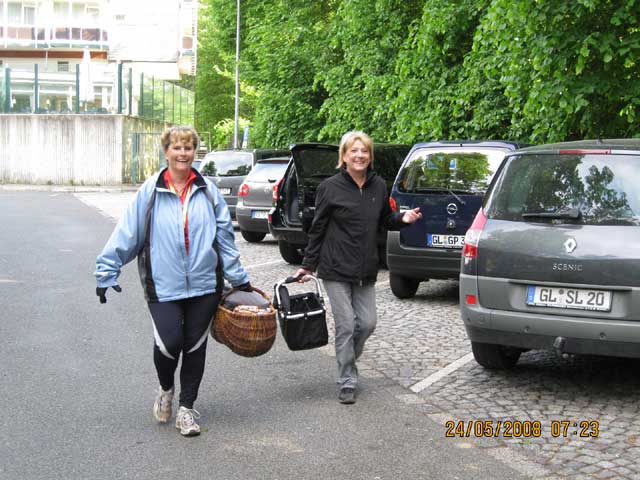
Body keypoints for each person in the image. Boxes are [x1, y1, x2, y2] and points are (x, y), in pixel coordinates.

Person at [95, 125, 252, 436]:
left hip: (206, 285)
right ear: (166, 152)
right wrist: (107, 270)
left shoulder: (208, 191)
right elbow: (128, 233)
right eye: (177, 148)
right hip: (162, 284)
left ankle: (187, 409)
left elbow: (224, 239)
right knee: (169, 344)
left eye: (189, 148)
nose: (183, 153)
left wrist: (239, 280)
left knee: (195, 347)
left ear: (195, 152)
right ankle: (166, 389)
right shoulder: (151, 191)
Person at [295, 131, 422, 405]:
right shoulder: (329, 187)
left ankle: (347, 361)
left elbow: (385, 219)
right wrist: (307, 265)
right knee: (346, 326)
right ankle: (347, 380)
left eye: (364, 151)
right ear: (344, 156)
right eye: (354, 151)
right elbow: (317, 228)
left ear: (370, 156)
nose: (359, 156)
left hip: (365, 267)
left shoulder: (378, 186)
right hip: (334, 267)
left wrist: (402, 218)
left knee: (366, 324)